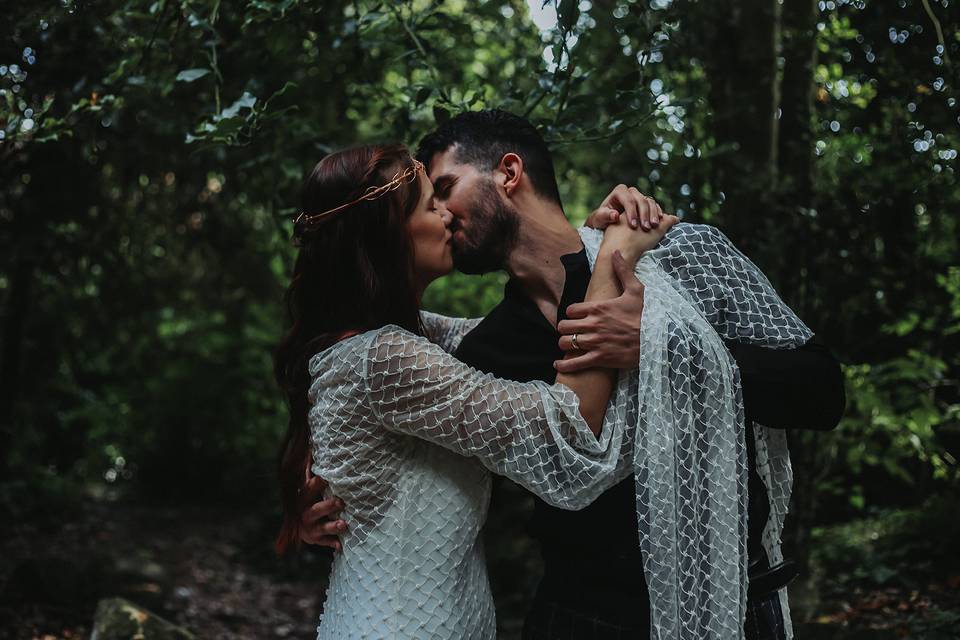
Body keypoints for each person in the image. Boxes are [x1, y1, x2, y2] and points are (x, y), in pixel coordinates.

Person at [300, 110, 846, 640]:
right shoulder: (481, 350)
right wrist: (317, 508)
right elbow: (363, 406)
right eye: (429, 201)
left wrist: (663, 345)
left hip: (730, 603)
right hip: (581, 615)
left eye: (445, 187)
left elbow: (822, 392)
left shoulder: (676, 253)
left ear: (509, 174)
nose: (440, 212)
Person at [275, 142, 676, 639]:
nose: (447, 214)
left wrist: (587, 244)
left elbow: (532, 330)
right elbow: (564, 431)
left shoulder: (421, 341)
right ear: (387, 236)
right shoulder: (386, 359)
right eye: (430, 203)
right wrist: (614, 256)